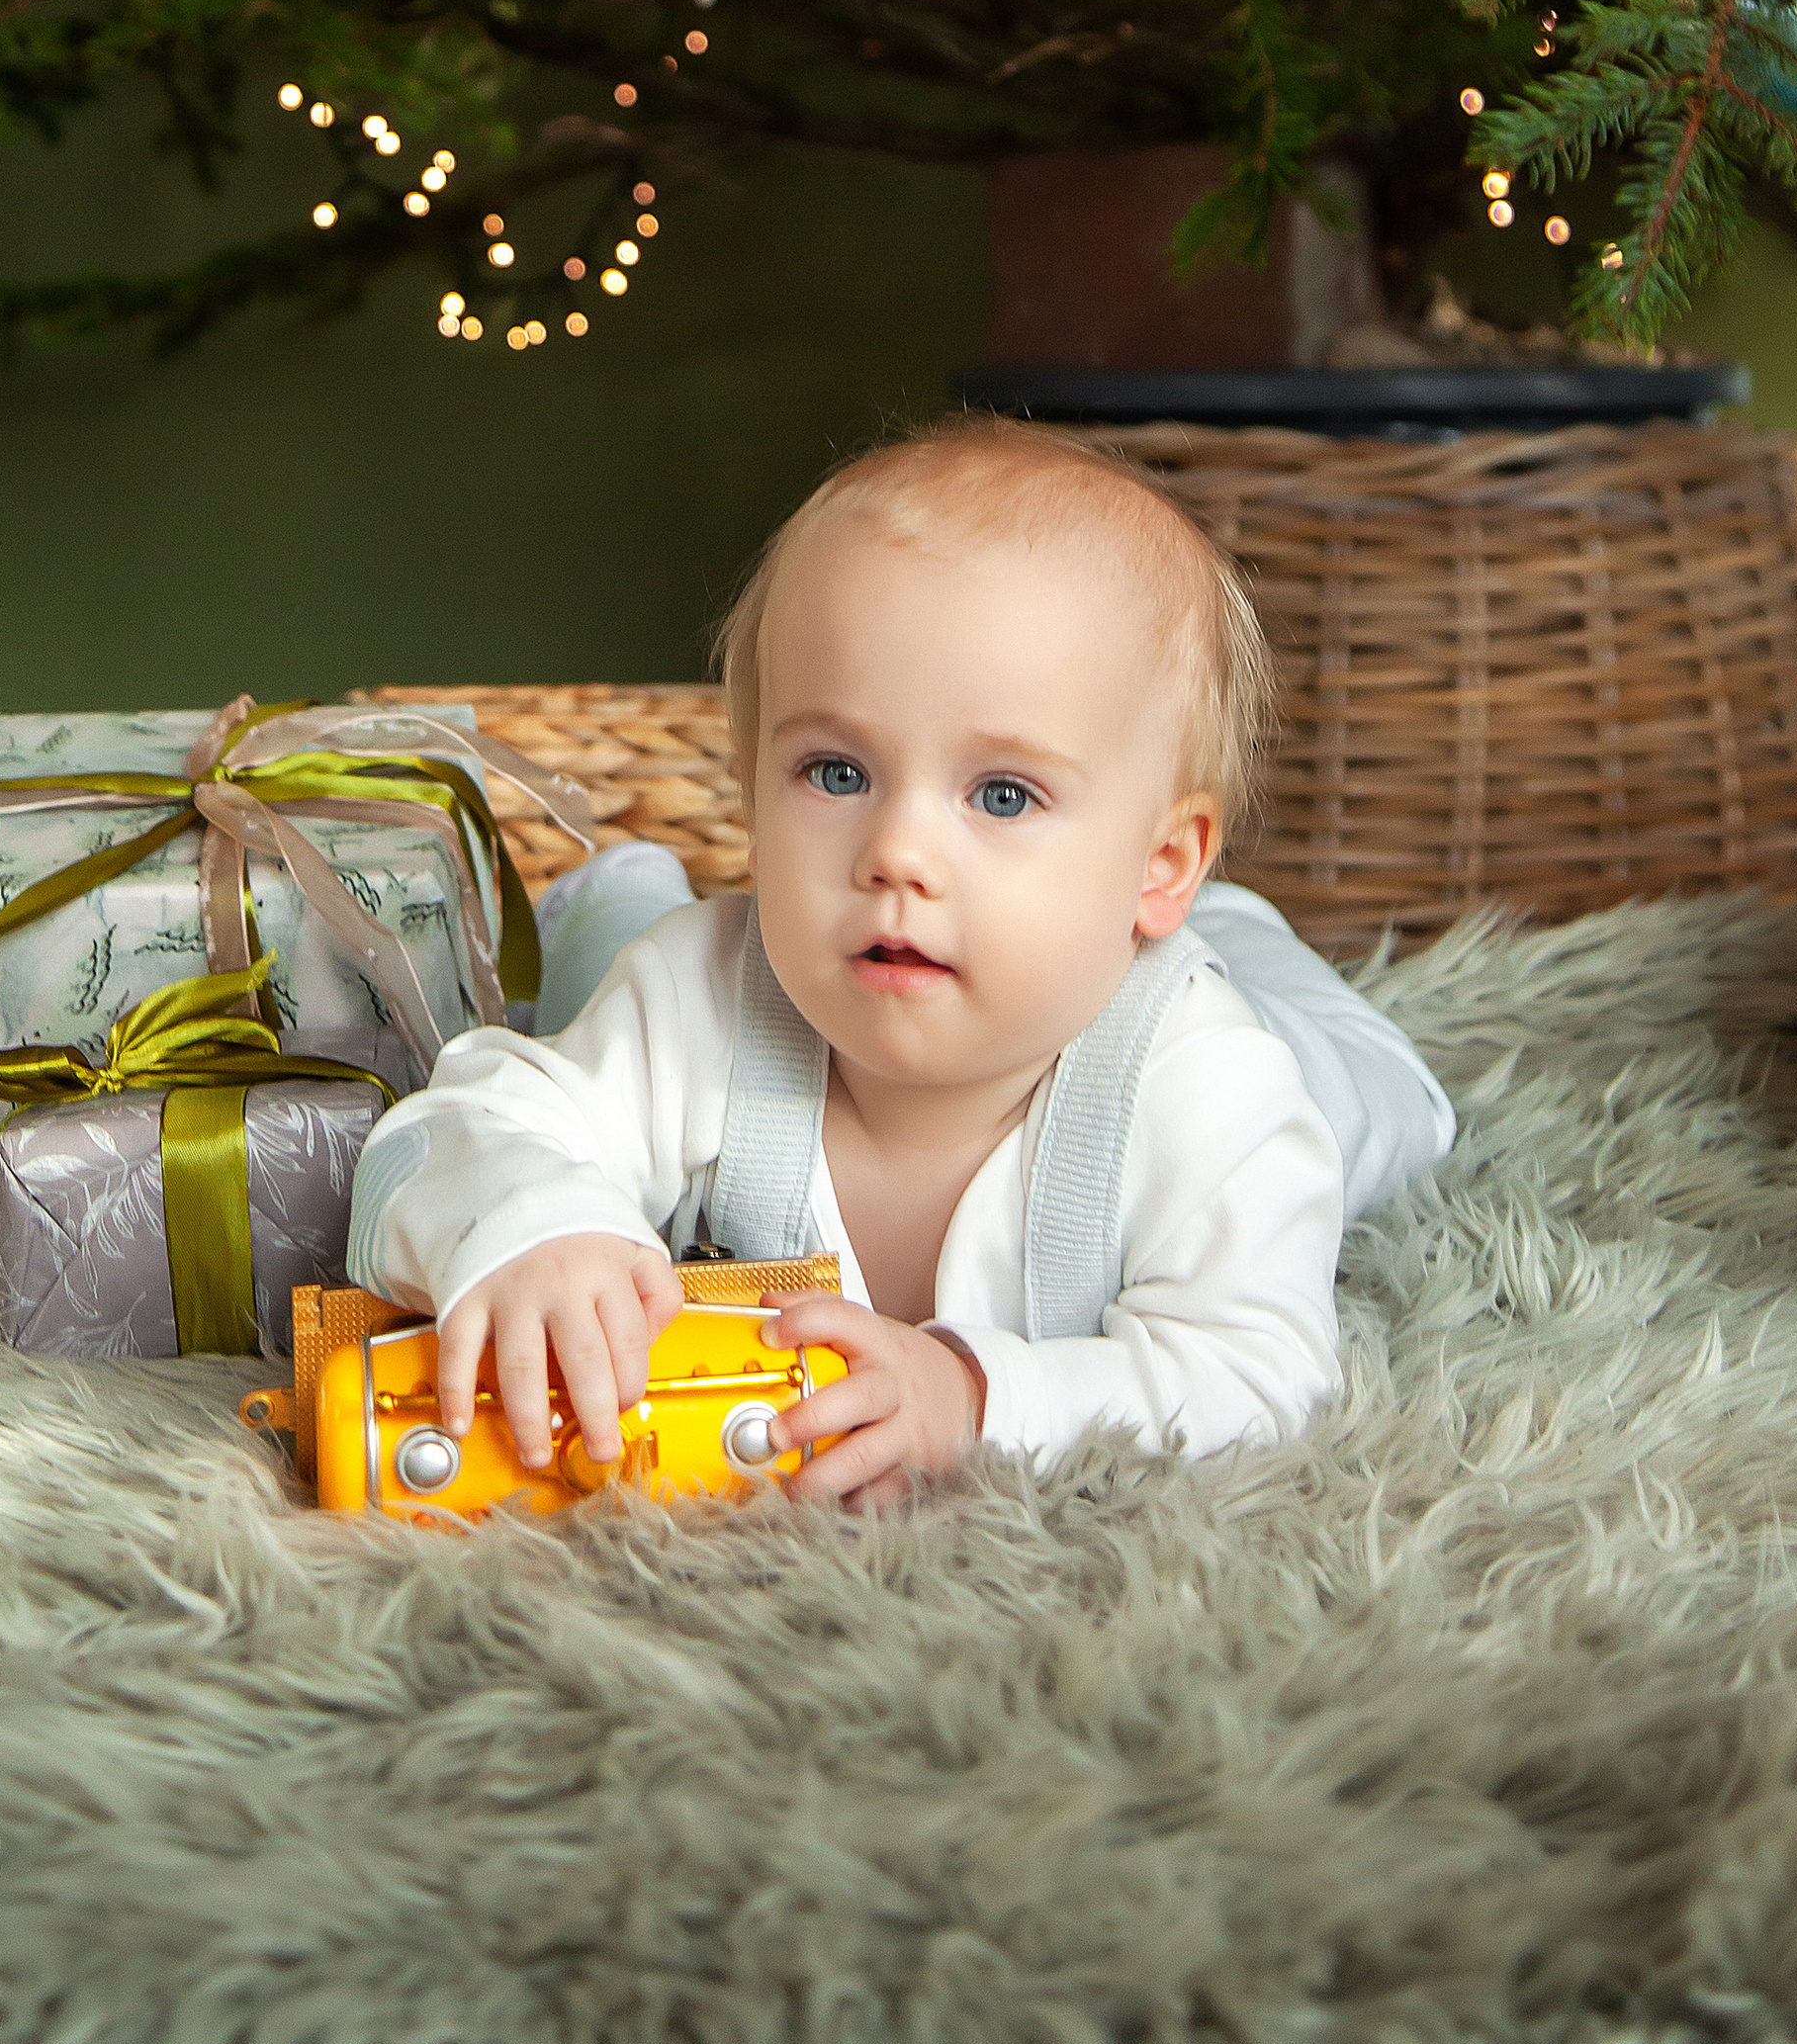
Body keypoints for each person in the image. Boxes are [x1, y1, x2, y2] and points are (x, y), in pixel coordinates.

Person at [347, 416, 1454, 1505]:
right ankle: (618, 890)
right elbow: (435, 1139)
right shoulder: (704, 992)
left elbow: (1258, 1382)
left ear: (1160, 864)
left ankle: (1239, 923)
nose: (897, 854)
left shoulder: (1215, 1085)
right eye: (837, 774)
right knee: (607, 976)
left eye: (1003, 795)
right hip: (766, 948)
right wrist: (530, 1224)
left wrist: (978, 1400)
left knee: (1387, 1102)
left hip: (1270, 1039)